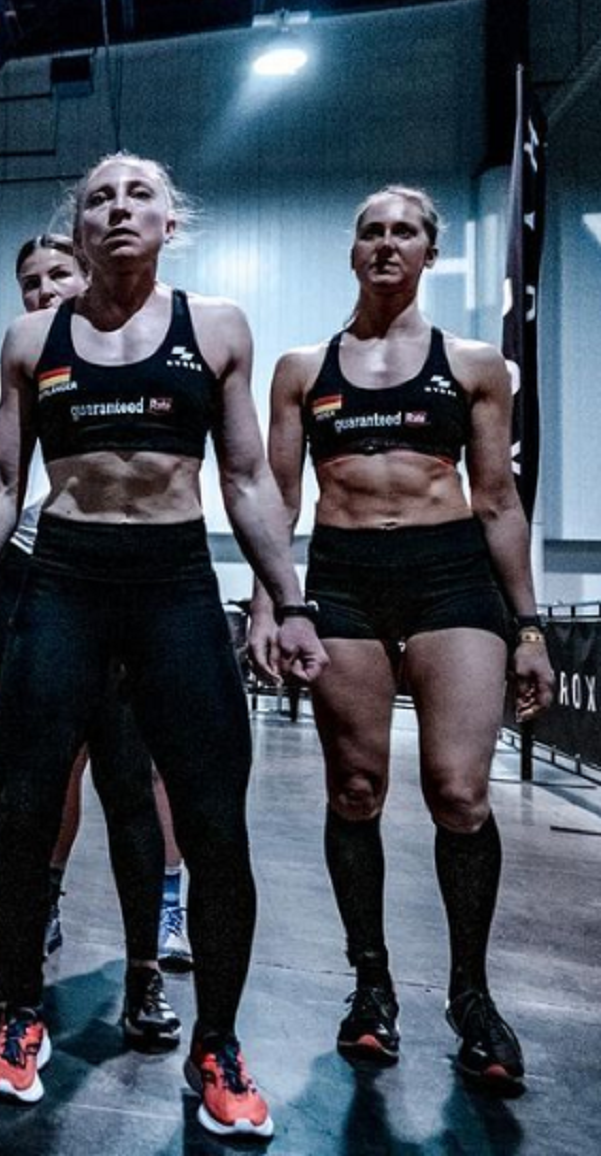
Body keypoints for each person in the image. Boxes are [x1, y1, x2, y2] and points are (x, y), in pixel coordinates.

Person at [0, 153, 326, 1139]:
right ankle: (23, 1009)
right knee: (20, 808)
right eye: (98, 198)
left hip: (174, 587)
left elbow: (244, 479)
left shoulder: (218, 327)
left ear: (169, 221)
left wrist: (289, 600)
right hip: (64, 583)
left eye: (137, 195)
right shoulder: (35, 335)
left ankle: (218, 1046)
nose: (118, 209)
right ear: (78, 225)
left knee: (212, 822)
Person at [251, 185, 554, 1092]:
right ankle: (371, 984)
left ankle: (470, 995)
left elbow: (498, 499)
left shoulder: (473, 364)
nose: (387, 244)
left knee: (459, 790)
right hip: (343, 578)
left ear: (428, 253)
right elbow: (278, 498)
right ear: (353, 252)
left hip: (449, 575)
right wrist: (274, 603)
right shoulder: (304, 369)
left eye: (405, 233)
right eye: (371, 231)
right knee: (355, 786)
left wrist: (529, 624)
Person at [0, 235, 181, 1053]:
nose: (43, 289)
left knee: (129, 778)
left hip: (131, 587)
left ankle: (144, 972)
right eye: (28, 281)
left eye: (58, 274)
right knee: (22, 787)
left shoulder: (152, 350)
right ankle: (12, 947)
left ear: (87, 275)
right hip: (33, 584)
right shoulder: (4, 374)